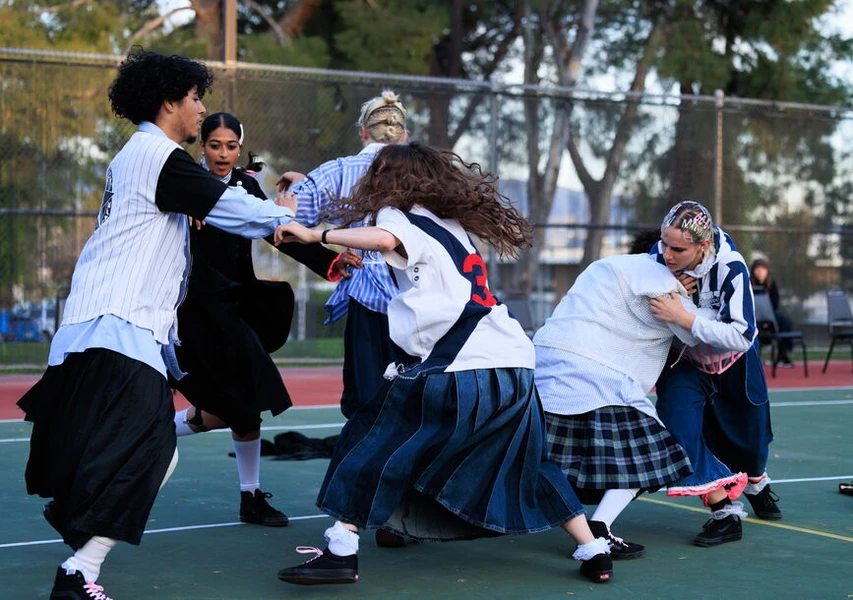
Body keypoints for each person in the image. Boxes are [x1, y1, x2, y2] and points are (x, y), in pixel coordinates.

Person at [16, 49, 298, 599]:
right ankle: (79, 568)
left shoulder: (140, 158)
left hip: (103, 327)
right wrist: (296, 215)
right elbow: (236, 209)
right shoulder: (159, 156)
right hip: (116, 328)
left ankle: (80, 542)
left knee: (137, 448)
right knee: (152, 451)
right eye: (196, 100)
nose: (201, 112)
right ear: (169, 101)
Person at [272, 142, 613, 586]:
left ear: (387, 179)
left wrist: (315, 233)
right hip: (513, 363)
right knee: (528, 462)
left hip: (464, 366)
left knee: (367, 437)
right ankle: (593, 549)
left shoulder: (397, 215)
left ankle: (341, 548)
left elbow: (385, 239)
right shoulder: (450, 222)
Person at [170, 112, 361, 528]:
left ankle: (249, 496)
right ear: (201, 146)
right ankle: (245, 492)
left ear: (240, 147)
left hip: (233, 309)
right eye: (214, 145)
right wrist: (179, 214)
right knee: (244, 400)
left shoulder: (245, 185)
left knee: (242, 407)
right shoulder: (182, 182)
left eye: (231, 146)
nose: (222, 154)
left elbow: (280, 231)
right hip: (190, 310)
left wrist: (333, 261)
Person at [534, 229, 706, 559]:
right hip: (596, 375)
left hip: (544, 363)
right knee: (652, 457)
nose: (671, 256)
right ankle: (597, 529)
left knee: (541, 458)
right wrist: (688, 300)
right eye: (669, 249)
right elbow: (699, 337)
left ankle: (588, 530)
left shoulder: (607, 265)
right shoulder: (662, 281)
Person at [648, 200, 780, 548]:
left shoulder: (731, 267)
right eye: (663, 243)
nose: (667, 254)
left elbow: (742, 334)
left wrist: (685, 316)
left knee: (751, 443)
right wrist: (668, 289)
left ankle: (756, 481)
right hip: (685, 362)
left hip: (735, 362)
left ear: (702, 246)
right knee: (677, 428)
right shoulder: (656, 261)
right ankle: (723, 511)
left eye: (678, 248)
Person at [276, 90, 408, 420]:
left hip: (365, 290)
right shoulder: (425, 174)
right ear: (404, 134)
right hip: (415, 292)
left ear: (363, 131)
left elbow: (286, 221)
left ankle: (365, 464)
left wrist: (296, 190)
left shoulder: (338, 171)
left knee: (365, 396)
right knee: (412, 393)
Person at [750, 257, 795, 367]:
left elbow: (775, 304)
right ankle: (754, 357)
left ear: (767, 271)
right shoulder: (748, 284)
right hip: (754, 317)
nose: (759, 272)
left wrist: (768, 318)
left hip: (770, 316)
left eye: (762, 269)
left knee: (786, 322)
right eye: (757, 269)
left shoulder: (772, 284)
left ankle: (782, 355)